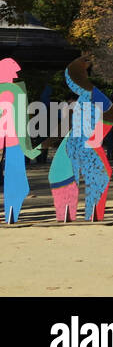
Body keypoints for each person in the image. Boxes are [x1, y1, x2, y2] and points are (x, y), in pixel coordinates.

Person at [47, 55, 113, 222]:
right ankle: (78, 213)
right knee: (95, 175)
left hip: (82, 141)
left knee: (96, 175)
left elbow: (107, 117)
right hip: (81, 142)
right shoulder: (87, 96)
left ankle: (77, 213)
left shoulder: (89, 96)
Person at [0, 57, 40, 223]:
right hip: (13, 140)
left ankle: (11, 213)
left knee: (15, 179)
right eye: (13, 71)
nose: (16, 75)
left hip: (11, 139)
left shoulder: (13, 90)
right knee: (16, 179)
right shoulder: (14, 91)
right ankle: (11, 213)